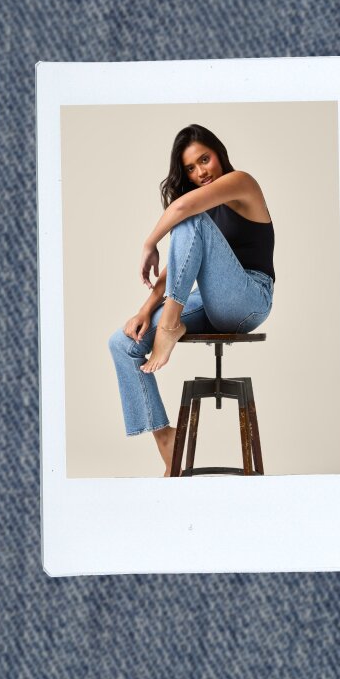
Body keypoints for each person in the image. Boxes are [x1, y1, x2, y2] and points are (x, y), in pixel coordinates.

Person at [107, 124, 276, 474]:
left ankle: (170, 324)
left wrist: (148, 243)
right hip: (210, 301)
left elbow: (182, 209)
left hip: (250, 299)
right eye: (191, 168)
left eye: (205, 159)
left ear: (219, 154)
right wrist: (143, 310)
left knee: (185, 219)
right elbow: (175, 269)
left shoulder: (242, 182)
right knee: (122, 342)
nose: (201, 172)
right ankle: (166, 440)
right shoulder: (202, 215)